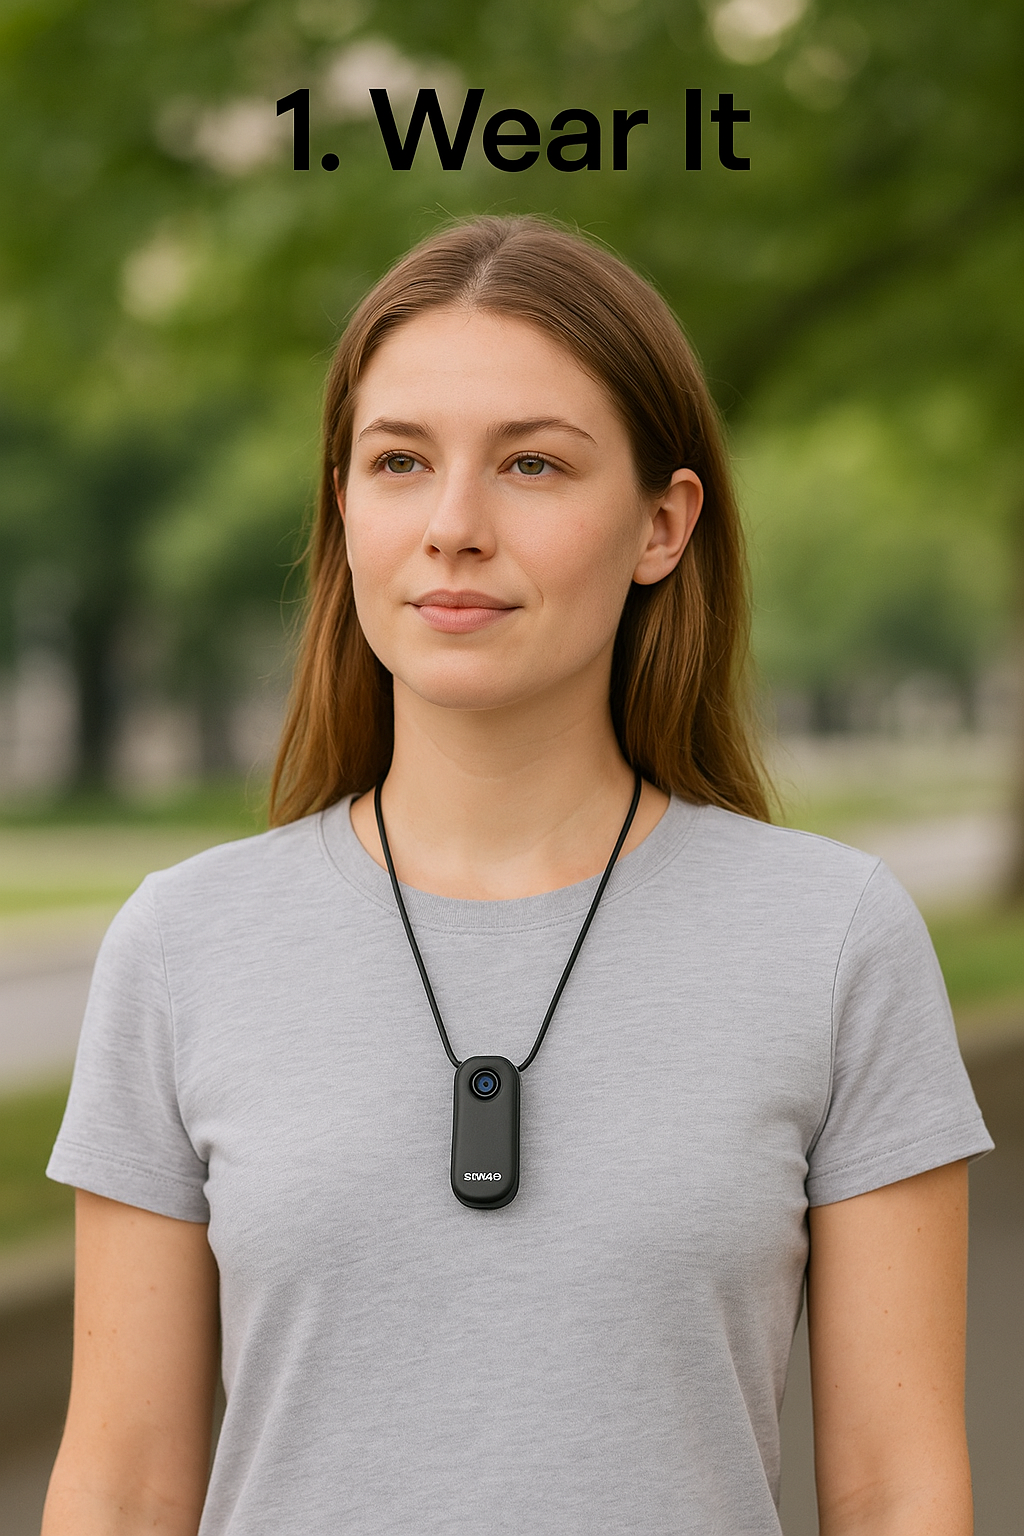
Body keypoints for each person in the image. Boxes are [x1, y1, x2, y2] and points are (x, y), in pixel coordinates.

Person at [42, 215, 991, 1536]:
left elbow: (898, 1491)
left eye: (533, 464)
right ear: (344, 508)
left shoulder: (832, 940)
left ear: (662, 525)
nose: (453, 526)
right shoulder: (182, 944)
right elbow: (123, 1488)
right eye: (399, 462)